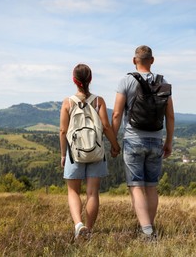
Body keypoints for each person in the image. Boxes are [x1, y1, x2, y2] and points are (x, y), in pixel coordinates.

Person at [111, 45, 175, 238]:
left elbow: (116, 114)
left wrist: (113, 142)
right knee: (151, 187)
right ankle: (148, 227)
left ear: (134, 60)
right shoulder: (162, 82)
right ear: (152, 60)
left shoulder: (126, 80)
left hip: (133, 139)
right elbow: (170, 116)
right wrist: (168, 142)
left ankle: (147, 232)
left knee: (136, 187)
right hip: (156, 140)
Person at [60, 63, 121, 240]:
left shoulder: (67, 102)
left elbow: (63, 131)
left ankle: (78, 225)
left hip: (74, 152)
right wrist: (115, 146)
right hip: (96, 151)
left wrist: (64, 154)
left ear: (74, 80)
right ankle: (89, 229)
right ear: (90, 79)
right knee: (93, 193)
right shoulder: (98, 101)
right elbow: (106, 126)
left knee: (73, 191)